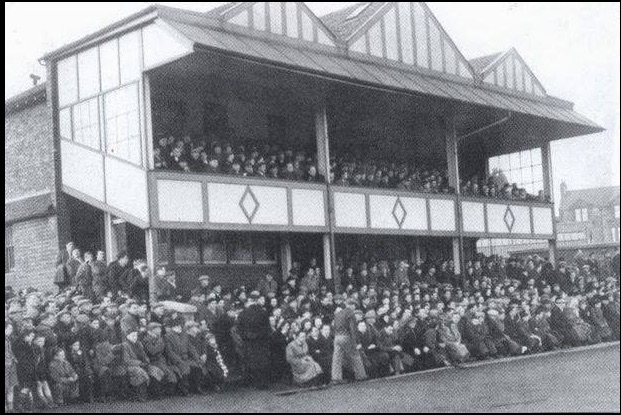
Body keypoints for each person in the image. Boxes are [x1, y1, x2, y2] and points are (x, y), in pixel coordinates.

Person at [237, 291, 271, 389]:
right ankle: (262, 383)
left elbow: (239, 328)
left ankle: (252, 382)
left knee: (251, 361)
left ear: (250, 300)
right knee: (262, 361)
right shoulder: (263, 312)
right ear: (257, 300)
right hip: (261, 341)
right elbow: (267, 328)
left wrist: (246, 336)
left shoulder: (243, 313)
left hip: (249, 341)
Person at [331, 298, 368, 384]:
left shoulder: (338, 314)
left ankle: (336, 378)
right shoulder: (350, 313)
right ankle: (361, 375)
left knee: (337, 358)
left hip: (337, 337)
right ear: (352, 305)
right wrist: (355, 342)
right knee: (355, 355)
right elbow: (353, 329)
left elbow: (334, 327)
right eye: (355, 306)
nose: (355, 309)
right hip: (346, 336)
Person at [142, 322, 178, 397]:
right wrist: (161, 343)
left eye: (160, 329)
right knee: (166, 374)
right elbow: (152, 351)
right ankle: (162, 393)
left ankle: (167, 393)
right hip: (153, 361)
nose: (160, 330)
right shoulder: (147, 340)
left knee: (172, 374)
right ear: (151, 330)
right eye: (157, 329)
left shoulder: (159, 339)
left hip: (161, 361)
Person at [121, 329, 150, 402]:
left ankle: (143, 394)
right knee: (140, 372)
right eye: (133, 335)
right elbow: (126, 360)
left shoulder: (139, 344)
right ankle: (141, 395)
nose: (135, 337)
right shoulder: (125, 345)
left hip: (140, 364)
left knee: (152, 370)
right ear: (128, 336)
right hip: (129, 366)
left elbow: (144, 354)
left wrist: (146, 360)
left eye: (136, 335)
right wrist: (140, 363)